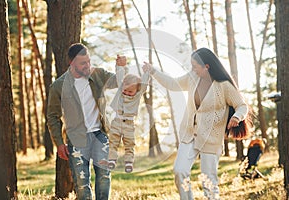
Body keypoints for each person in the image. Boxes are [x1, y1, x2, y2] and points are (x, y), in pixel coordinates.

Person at [143, 47, 250, 200]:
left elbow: (241, 105)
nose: (193, 69)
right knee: (180, 171)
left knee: (209, 182)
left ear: (206, 66)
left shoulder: (224, 85)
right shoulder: (192, 78)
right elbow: (173, 84)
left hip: (211, 138)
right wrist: (153, 71)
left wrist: (236, 117)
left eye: (195, 66)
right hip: (189, 134)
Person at [47, 43, 126, 200]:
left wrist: (121, 67)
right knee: (82, 183)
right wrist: (59, 143)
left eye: (89, 61)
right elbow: (52, 116)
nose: (88, 66)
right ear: (72, 63)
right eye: (83, 63)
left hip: (100, 134)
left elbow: (118, 82)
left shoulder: (97, 74)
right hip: (76, 139)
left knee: (104, 176)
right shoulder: (58, 86)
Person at [107, 65, 149, 173]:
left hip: (129, 124)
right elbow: (119, 76)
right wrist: (120, 65)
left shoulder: (137, 95)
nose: (126, 93)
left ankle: (129, 162)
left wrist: (146, 73)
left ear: (136, 91)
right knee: (113, 142)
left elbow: (143, 85)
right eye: (125, 90)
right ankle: (111, 160)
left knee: (129, 144)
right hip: (116, 121)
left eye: (130, 92)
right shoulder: (121, 91)